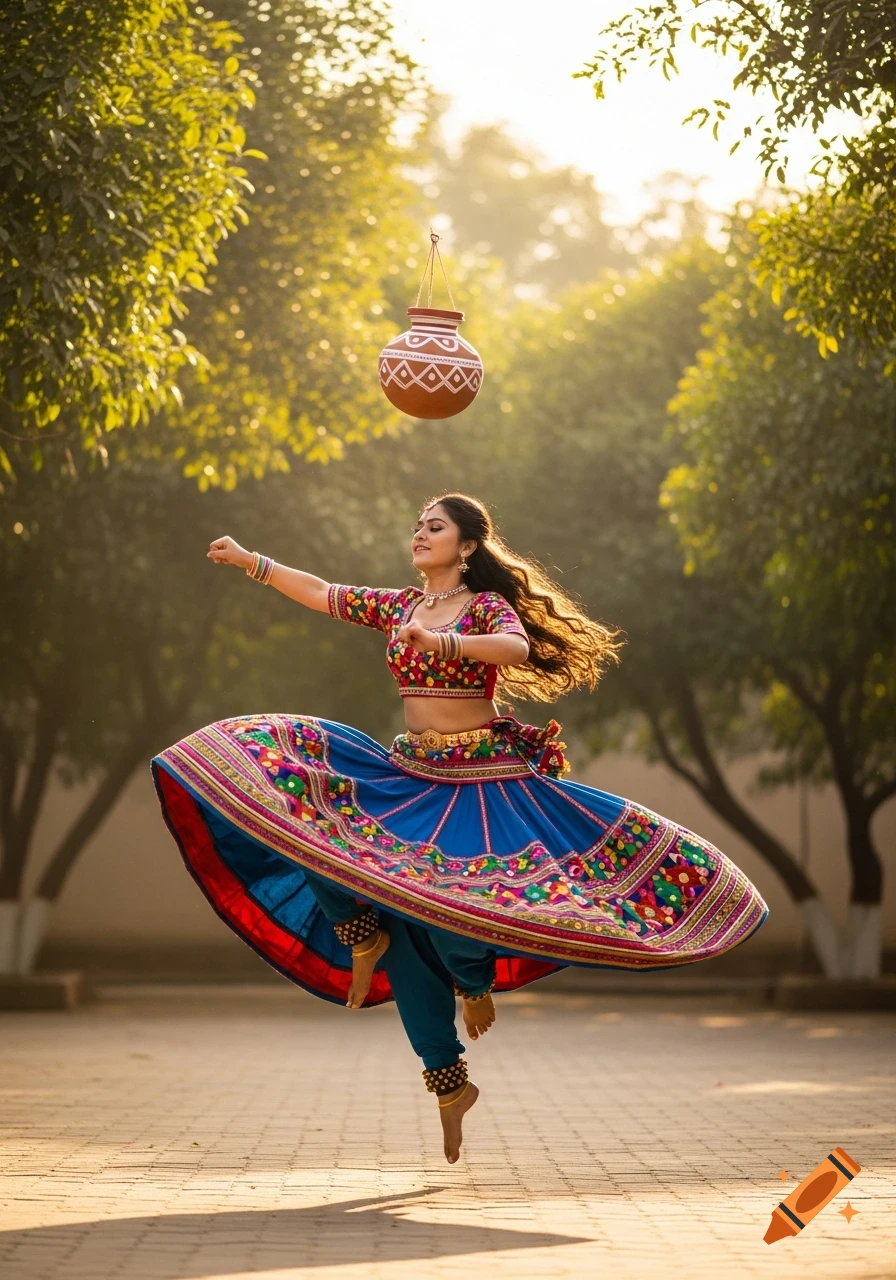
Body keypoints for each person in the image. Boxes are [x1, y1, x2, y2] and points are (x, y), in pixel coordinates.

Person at [151, 491, 768, 1164]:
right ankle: (402, 1005)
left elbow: (512, 646)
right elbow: (324, 591)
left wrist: (442, 639)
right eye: (416, 524)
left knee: (447, 916)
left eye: (434, 527)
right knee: (303, 815)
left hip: (480, 783)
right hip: (412, 775)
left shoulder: (483, 607)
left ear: (467, 545)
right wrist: (252, 563)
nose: (419, 534)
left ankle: (470, 989)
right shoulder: (397, 605)